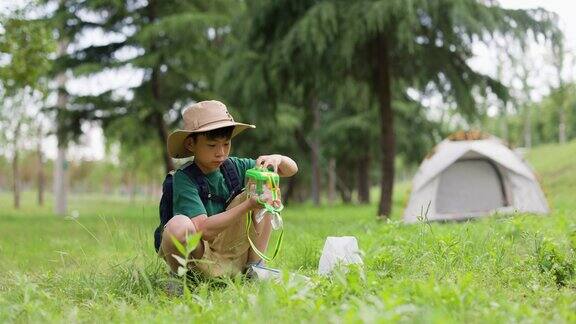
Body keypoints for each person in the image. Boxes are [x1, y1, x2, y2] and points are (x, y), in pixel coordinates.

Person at [159, 100, 298, 277]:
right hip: (202, 259)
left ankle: (255, 268)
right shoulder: (184, 178)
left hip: (239, 254)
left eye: (226, 144)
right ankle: (180, 277)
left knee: (265, 185)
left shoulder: (236, 167)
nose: (221, 153)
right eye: (212, 145)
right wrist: (248, 205)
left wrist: (277, 158)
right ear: (190, 144)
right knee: (177, 226)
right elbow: (204, 229)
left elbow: (291, 169)